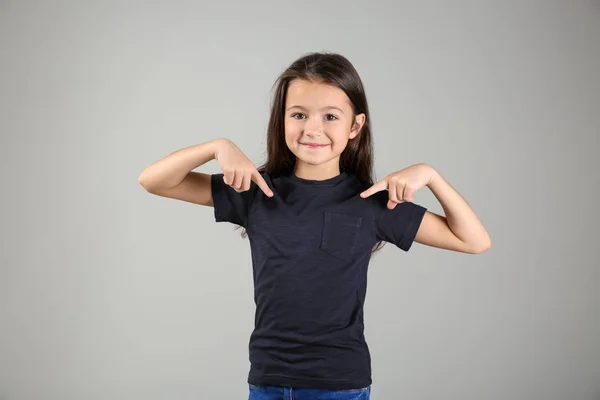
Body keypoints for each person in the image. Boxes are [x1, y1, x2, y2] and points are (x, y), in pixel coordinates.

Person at [138, 52, 491, 400]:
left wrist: (431, 176)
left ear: (355, 126)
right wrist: (217, 147)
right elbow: (155, 181)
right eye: (299, 114)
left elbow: (473, 240)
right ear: (282, 120)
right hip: (267, 380)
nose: (312, 129)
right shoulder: (256, 192)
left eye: (331, 116)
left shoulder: (373, 202)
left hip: (340, 384)